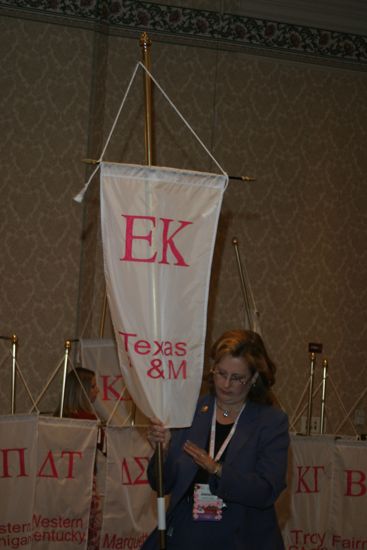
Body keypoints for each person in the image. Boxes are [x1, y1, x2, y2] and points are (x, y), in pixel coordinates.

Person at [142, 330, 289, 550]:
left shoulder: (271, 421)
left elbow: (267, 490)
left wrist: (217, 469)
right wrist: (162, 453)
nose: (226, 384)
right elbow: (161, 484)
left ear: (254, 378)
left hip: (241, 537)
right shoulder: (190, 410)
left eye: (237, 378)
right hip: (186, 535)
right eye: (221, 373)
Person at [55, 367, 102, 550]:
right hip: (85, 486)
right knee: (86, 537)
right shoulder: (89, 420)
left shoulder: (57, 417)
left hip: (59, 486)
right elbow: (105, 447)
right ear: (81, 390)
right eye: (93, 386)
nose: (97, 390)